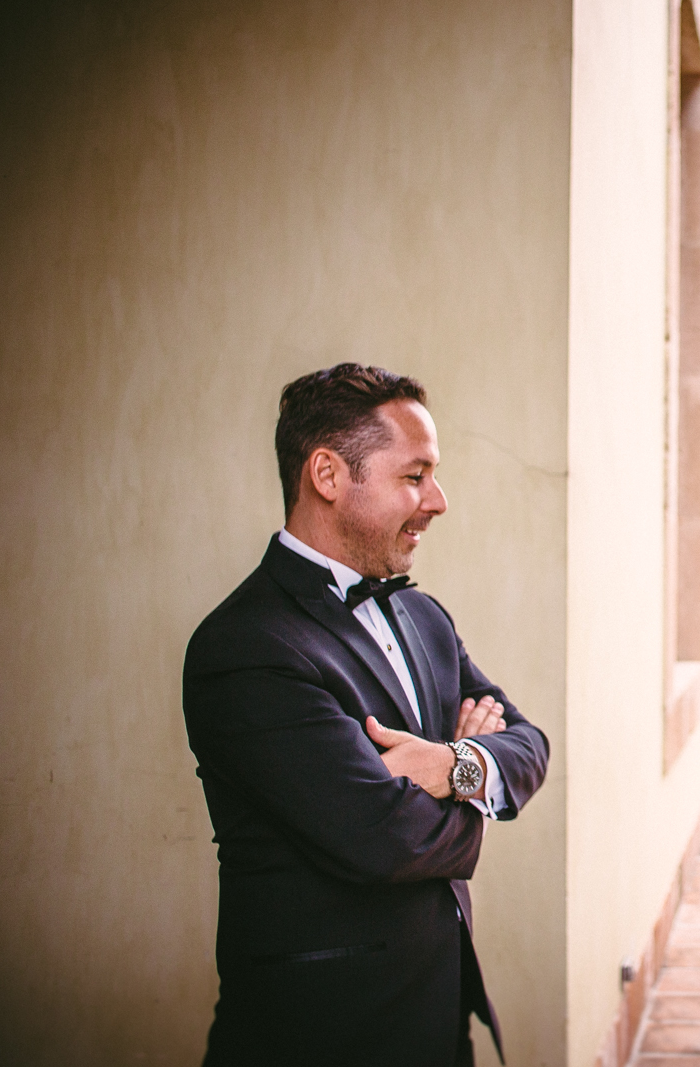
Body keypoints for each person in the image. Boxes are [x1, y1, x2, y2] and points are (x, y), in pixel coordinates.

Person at [183, 363, 549, 1067]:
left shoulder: (424, 616)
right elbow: (387, 841)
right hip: (317, 1036)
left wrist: (453, 763)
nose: (437, 500)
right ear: (327, 473)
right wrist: (476, 801)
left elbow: (530, 745)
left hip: (441, 1018)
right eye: (414, 476)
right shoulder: (246, 647)